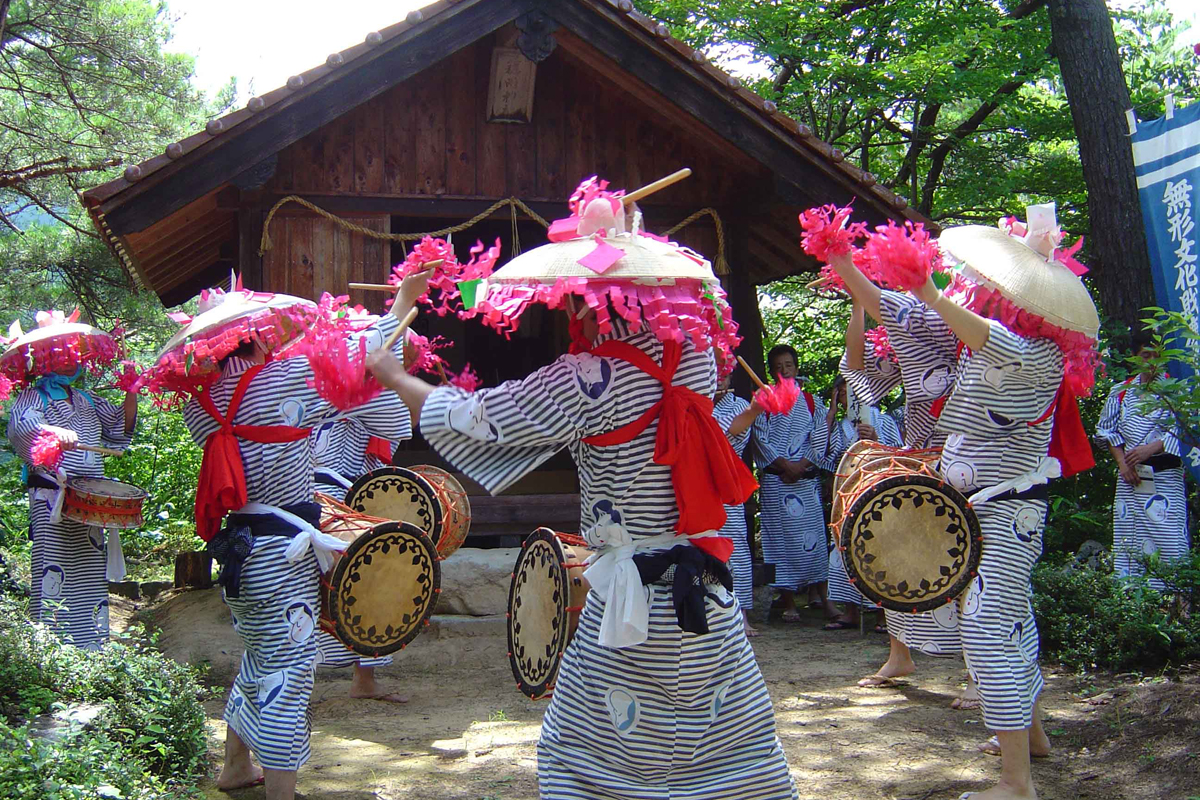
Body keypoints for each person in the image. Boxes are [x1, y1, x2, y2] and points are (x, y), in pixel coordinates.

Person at [368, 181, 798, 800]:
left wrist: (393, 373)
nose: (566, 311)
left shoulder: (589, 378)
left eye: (572, 299)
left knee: (592, 756)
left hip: (630, 600)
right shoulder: (700, 360)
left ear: (589, 300)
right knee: (727, 752)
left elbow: (479, 416)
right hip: (705, 591)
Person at [828, 202, 1100, 800]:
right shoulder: (994, 345)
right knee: (1012, 622)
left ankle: (1015, 784)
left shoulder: (1035, 356)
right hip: (989, 508)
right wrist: (844, 262)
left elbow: (984, 336)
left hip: (1005, 510)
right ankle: (1029, 739)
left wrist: (929, 287)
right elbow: (894, 309)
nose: (981, 289)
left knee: (987, 629)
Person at [146, 275, 421, 800]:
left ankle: (233, 767)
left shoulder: (199, 406)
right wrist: (403, 302)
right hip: (282, 550)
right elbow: (369, 357)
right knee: (291, 672)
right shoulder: (281, 381)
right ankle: (281, 793)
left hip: (240, 551)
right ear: (254, 335)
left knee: (258, 657)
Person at [838, 298, 980, 705]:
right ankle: (899, 655)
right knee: (893, 555)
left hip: (971, 467)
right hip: (919, 461)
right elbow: (857, 367)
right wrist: (857, 304)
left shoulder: (978, 337)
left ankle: (975, 674)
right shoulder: (910, 340)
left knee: (967, 566)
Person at [4, 310, 137, 650]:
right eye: (59, 356)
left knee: (89, 570)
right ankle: (49, 646)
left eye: (72, 356)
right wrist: (53, 431)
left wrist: (132, 389)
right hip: (52, 495)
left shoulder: (87, 399)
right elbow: (22, 428)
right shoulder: (32, 397)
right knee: (53, 567)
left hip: (88, 498)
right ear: (45, 361)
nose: (67, 363)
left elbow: (120, 427)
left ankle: (90, 645)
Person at [310, 418, 406, 702]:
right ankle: (297, 679)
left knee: (371, 581)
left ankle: (365, 679)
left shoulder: (375, 399)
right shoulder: (317, 387)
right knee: (313, 583)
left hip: (362, 489)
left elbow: (399, 422)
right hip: (318, 493)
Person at [751, 344, 836, 622]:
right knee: (779, 543)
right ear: (771, 371)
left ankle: (823, 596)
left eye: (788, 365)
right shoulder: (764, 401)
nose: (784, 370)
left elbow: (821, 435)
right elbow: (760, 439)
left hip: (804, 480)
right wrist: (784, 466)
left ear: (796, 368)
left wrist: (803, 465)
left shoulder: (812, 401)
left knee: (814, 539)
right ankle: (788, 600)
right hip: (777, 482)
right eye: (778, 367)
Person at [1096, 334, 1189, 587]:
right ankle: (1132, 606)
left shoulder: (1177, 390)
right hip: (1130, 479)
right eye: (1144, 355)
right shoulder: (1121, 392)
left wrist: (1153, 447)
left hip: (1165, 476)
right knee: (1130, 543)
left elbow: (1187, 430)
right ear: (1135, 358)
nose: (1150, 361)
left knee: (1170, 541)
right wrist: (1123, 464)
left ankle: (1176, 603)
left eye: (1156, 356)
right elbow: (1107, 432)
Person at [821, 373, 901, 632]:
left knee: (881, 547)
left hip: (880, 494)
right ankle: (851, 609)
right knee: (844, 548)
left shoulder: (884, 420)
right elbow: (825, 459)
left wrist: (876, 440)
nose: (850, 397)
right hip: (848, 494)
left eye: (854, 392)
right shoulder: (839, 426)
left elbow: (901, 454)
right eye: (844, 393)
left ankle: (883, 613)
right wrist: (831, 417)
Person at [712, 366, 766, 637]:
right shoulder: (694, 400)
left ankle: (741, 614)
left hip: (727, 484)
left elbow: (729, 433)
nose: (720, 379)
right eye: (716, 373)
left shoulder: (740, 405)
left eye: (725, 374)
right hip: (696, 482)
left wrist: (754, 409)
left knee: (737, 550)